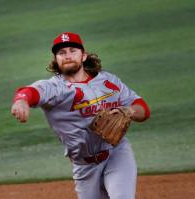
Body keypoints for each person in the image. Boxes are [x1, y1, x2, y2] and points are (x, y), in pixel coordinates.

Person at [11, 32, 150, 199]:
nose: (67, 56)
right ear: (56, 60)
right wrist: (21, 101)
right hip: (84, 165)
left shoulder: (109, 81)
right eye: (61, 53)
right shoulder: (55, 88)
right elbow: (30, 92)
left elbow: (143, 109)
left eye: (72, 51)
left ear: (83, 56)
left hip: (117, 154)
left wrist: (129, 111)